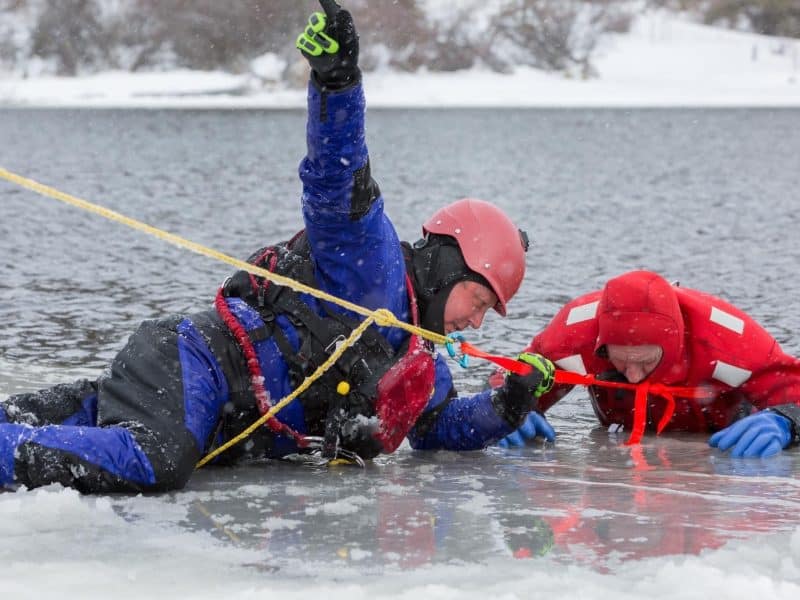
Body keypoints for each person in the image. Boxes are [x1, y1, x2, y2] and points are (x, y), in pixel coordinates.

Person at [0, 0, 554, 494]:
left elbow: (436, 432)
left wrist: (505, 407)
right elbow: (335, 177)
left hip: (210, 415)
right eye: (478, 303)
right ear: (448, 265)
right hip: (196, 364)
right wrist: (338, 85)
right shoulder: (370, 258)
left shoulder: (423, 364)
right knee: (155, 458)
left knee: (126, 426)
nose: (476, 324)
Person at [497, 269, 800, 458]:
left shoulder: (730, 341)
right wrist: (511, 409)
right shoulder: (573, 336)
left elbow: (794, 386)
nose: (632, 375)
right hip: (620, 446)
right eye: (620, 360)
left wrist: (786, 420)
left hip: (718, 448)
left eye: (644, 361)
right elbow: (507, 376)